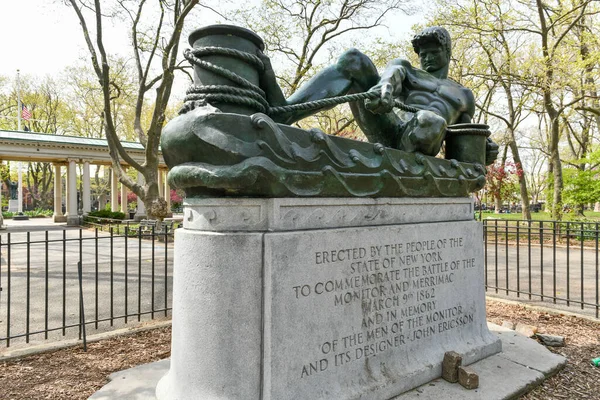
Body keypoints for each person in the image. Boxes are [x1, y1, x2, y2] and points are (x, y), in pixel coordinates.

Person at [259, 26, 498, 163]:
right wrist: (384, 89)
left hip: (425, 139)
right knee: (354, 59)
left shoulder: (464, 95)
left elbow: (464, 136)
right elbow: (392, 74)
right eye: (423, 53)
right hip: (391, 127)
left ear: (447, 51)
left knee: (431, 120)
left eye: (433, 52)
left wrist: (484, 149)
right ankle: (285, 112)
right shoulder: (407, 69)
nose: (427, 58)